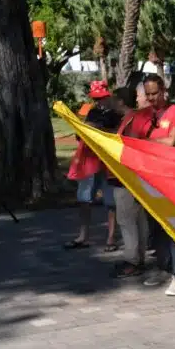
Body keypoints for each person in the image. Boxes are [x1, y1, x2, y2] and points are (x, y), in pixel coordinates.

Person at [137, 74, 175, 296]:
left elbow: (172, 141)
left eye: (154, 93)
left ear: (163, 91)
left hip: (172, 177)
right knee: (156, 228)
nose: (151, 98)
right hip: (150, 177)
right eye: (148, 94)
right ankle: (164, 268)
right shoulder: (144, 115)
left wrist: (144, 143)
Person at [65, 81, 120, 251]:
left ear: (108, 96)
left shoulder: (116, 114)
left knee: (110, 201)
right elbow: (81, 135)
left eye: (101, 98)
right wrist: (82, 131)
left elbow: (118, 134)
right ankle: (83, 236)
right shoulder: (92, 112)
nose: (99, 102)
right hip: (90, 160)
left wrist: (98, 128)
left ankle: (111, 238)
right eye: (96, 99)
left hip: (107, 161)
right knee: (84, 198)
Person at [110, 85, 155, 278]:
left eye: (114, 99)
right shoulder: (132, 119)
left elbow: (129, 147)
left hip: (126, 178)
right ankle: (138, 258)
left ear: (121, 101)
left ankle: (132, 261)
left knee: (127, 220)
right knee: (138, 219)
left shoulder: (131, 120)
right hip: (132, 177)